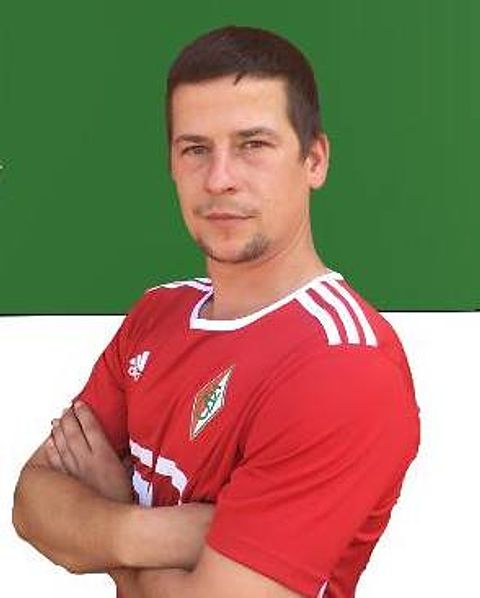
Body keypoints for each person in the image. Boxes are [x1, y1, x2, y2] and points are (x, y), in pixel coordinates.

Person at [12, 25, 420, 598]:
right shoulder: (156, 314)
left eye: (253, 145)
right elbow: (32, 501)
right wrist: (141, 529)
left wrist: (105, 526)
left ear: (315, 159)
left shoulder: (344, 364)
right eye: (195, 149)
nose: (220, 178)